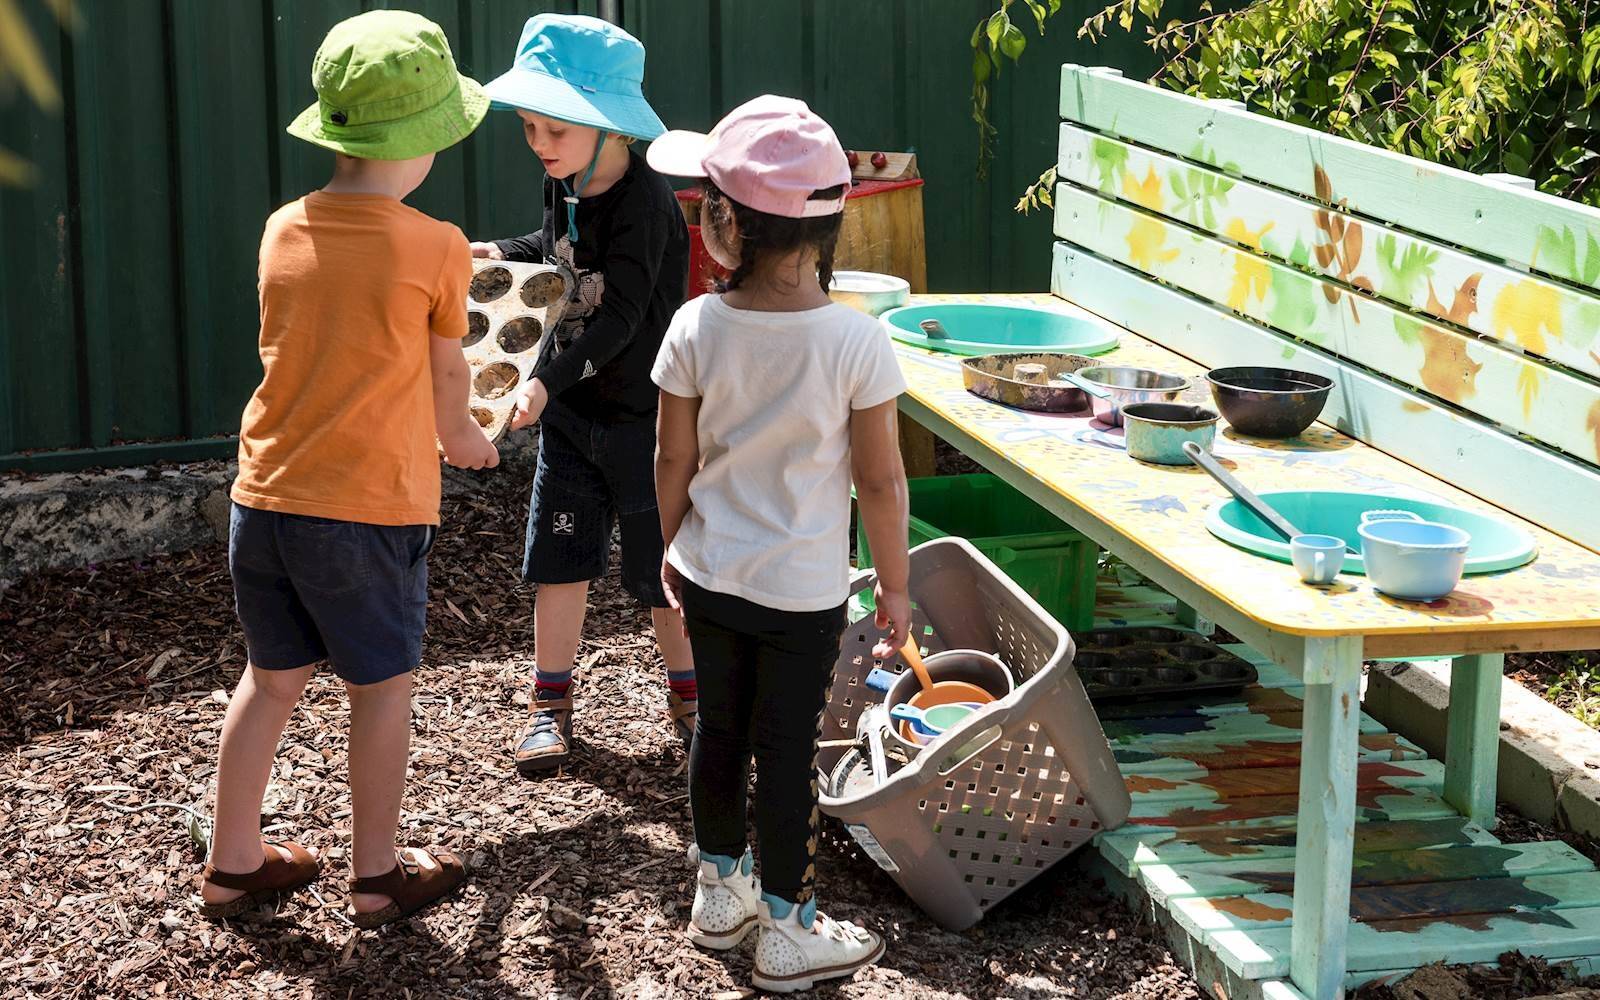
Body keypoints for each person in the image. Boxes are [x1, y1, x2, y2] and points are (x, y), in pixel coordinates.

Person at [197, 10, 494, 929]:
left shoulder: (283, 227)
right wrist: (467, 441)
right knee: (382, 692)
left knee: (272, 677)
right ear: (430, 138)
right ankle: (376, 878)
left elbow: (339, 317)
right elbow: (451, 374)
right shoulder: (436, 243)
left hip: (267, 497)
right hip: (367, 510)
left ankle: (233, 862)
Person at [648, 95, 910, 993]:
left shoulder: (695, 326)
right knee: (786, 751)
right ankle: (792, 928)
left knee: (717, 733)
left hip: (710, 576)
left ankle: (719, 889)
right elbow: (879, 481)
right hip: (803, 594)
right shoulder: (857, 342)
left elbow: (672, 453)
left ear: (726, 222)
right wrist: (900, 592)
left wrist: (671, 545)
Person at [470, 14, 695, 776]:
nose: (538, 143)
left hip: (645, 423)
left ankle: (692, 706)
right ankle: (550, 705)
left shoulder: (645, 207)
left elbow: (624, 320)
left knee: (660, 573)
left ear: (610, 128)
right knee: (558, 562)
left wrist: (543, 380)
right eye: (529, 126)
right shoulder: (562, 182)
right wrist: (497, 252)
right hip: (570, 420)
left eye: (553, 128)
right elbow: (554, 261)